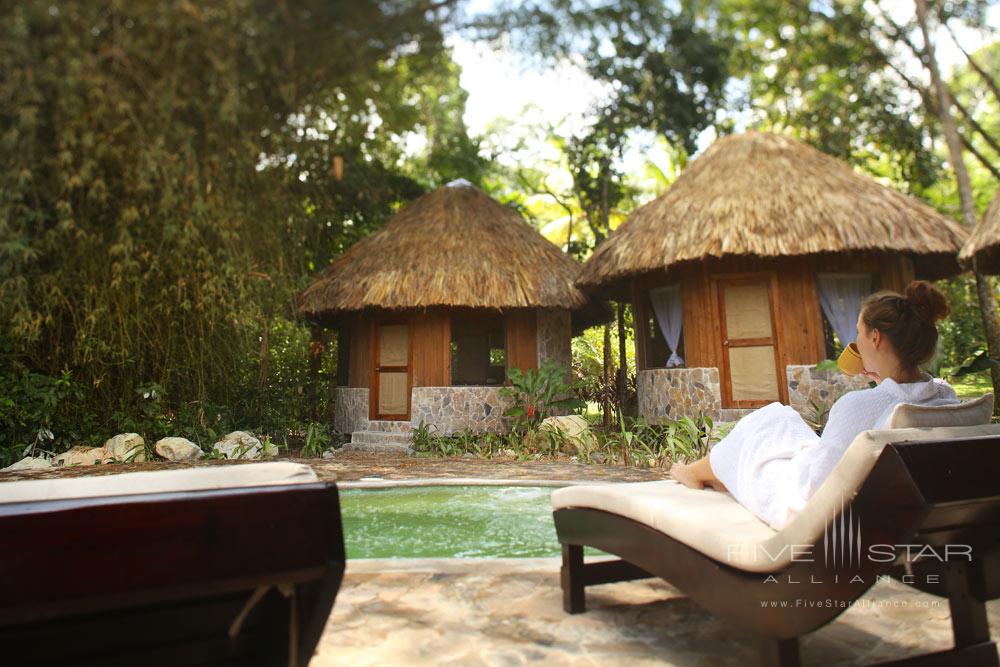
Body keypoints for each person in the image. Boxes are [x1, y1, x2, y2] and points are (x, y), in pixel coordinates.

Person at [668, 279, 959, 530]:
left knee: (763, 426)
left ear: (874, 337)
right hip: (906, 508)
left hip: (830, 513)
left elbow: (816, 487)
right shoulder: (945, 399)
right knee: (781, 418)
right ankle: (712, 472)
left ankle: (694, 472)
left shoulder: (859, 406)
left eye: (858, 332)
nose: (855, 340)